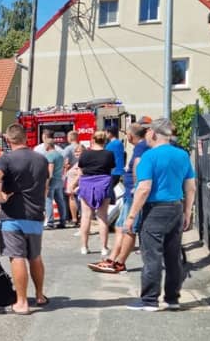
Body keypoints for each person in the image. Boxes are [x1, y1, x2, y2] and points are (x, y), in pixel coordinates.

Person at [124, 119, 197, 311]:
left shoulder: (149, 157)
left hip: (155, 210)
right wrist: (187, 212)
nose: (146, 135)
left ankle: (149, 300)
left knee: (152, 256)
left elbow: (144, 188)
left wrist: (131, 216)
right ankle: (172, 299)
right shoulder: (182, 155)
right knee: (173, 256)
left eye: (148, 132)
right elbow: (191, 186)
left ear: (154, 134)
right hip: (176, 207)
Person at [0, 124, 49, 315]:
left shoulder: (6, 159)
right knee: (35, 256)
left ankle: (22, 302)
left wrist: (0, 198)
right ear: (25, 138)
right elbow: (45, 186)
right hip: (35, 214)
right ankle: (39, 295)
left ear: (8, 140)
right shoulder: (41, 159)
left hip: (12, 216)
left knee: (17, 257)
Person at [90, 121, 149, 273]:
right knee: (120, 226)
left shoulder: (141, 147)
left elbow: (139, 168)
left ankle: (119, 263)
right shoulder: (139, 147)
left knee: (129, 228)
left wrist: (136, 188)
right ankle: (112, 258)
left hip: (133, 194)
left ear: (130, 135)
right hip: (130, 193)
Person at [77, 131, 115, 256]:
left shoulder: (85, 154)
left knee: (86, 216)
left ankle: (84, 246)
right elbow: (111, 168)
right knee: (102, 216)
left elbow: (80, 170)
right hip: (104, 183)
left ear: (93, 140)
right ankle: (104, 247)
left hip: (86, 183)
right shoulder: (109, 154)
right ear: (105, 141)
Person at [38, 130, 66, 229]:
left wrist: (47, 183)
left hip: (52, 181)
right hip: (59, 180)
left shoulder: (49, 155)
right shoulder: (60, 155)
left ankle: (50, 222)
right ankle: (63, 221)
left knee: (48, 201)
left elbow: (50, 171)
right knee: (60, 201)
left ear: (48, 146)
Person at [61, 131, 82, 226]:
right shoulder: (82, 147)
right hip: (82, 172)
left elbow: (63, 161)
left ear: (70, 138)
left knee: (72, 196)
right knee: (80, 196)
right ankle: (81, 216)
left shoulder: (68, 149)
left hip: (72, 173)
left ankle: (73, 218)